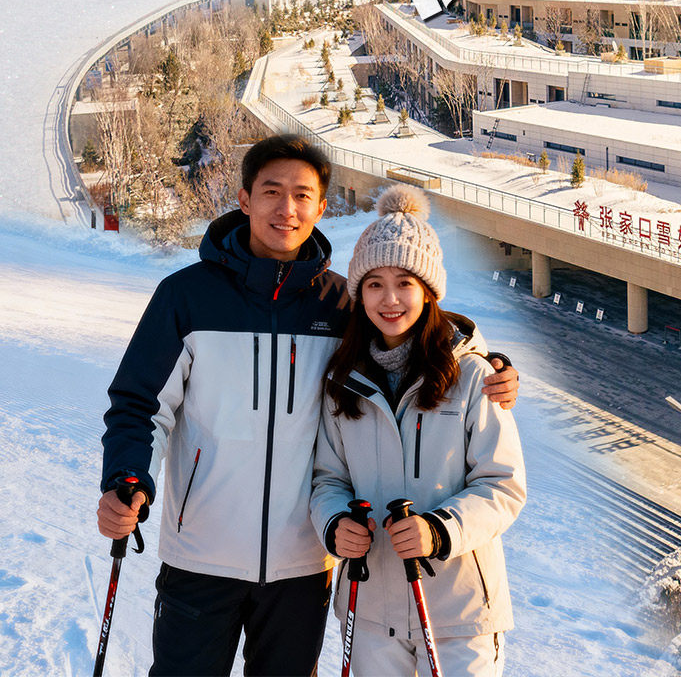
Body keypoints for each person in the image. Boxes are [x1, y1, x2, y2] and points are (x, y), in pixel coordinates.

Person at [97, 134, 519, 677]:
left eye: (302, 194)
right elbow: (139, 404)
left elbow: (420, 329)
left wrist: (489, 361)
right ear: (244, 198)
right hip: (201, 555)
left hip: (304, 564)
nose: (286, 208)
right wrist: (127, 476)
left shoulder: (343, 303)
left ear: (322, 206)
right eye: (272, 191)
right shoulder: (186, 297)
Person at [312, 184, 525, 677]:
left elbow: (504, 485)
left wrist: (439, 530)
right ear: (358, 292)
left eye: (405, 282)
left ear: (429, 290)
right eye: (374, 284)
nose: (390, 299)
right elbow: (327, 479)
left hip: (460, 612)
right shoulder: (343, 379)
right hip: (369, 609)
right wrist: (334, 524)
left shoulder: (473, 375)